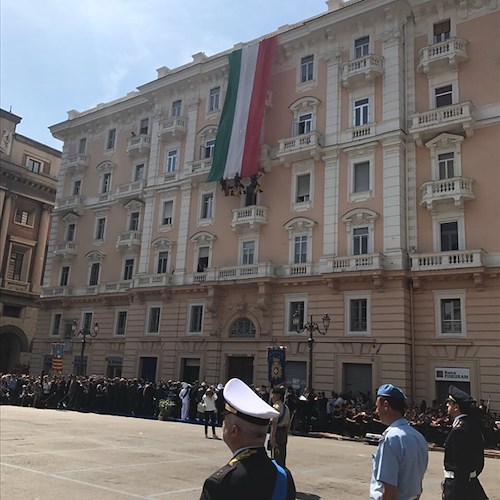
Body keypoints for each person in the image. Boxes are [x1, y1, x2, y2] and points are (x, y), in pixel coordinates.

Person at [200, 378, 296, 500]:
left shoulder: (219, 483)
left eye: (225, 421)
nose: (222, 425)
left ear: (234, 431)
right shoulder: (284, 477)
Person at [370, 384, 428, 500]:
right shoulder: (418, 437)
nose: (377, 411)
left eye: (377, 406)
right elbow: (418, 484)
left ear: (385, 405)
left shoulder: (391, 438)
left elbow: (389, 490)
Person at [442, 385, 488, 500]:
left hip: (458, 488)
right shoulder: (472, 426)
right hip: (471, 483)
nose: (447, 404)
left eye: (449, 402)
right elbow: (480, 462)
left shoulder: (459, 432)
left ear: (456, 407)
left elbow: (459, 466)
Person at [270, 386, 291, 467]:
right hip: (284, 433)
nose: (272, 397)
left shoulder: (276, 407)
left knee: (276, 456)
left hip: (277, 432)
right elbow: (289, 423)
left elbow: (274, 424)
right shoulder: (286, 407)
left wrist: (272, 437)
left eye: (273, 394)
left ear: (278, 396)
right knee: (282, 455)